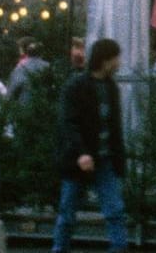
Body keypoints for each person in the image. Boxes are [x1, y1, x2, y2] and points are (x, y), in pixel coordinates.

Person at [52, 38, 128, 253]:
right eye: (116, 58)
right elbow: (68, 122)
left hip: (104, 159)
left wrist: (118, 161)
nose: (119, 62)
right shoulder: (76, 86)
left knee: (115, 210)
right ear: (105, 61)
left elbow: (115, 127)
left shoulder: (111, 88)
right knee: (67, 213)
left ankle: (119, 248)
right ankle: (59, 249)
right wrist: (81, 152)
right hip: (79, 159)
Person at [8, 40, 49, 105]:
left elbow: (13, 89)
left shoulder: (20, 67)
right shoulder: (47, 67)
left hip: (25, 105)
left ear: (28, 54)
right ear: (41, 53)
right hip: (44, 106)